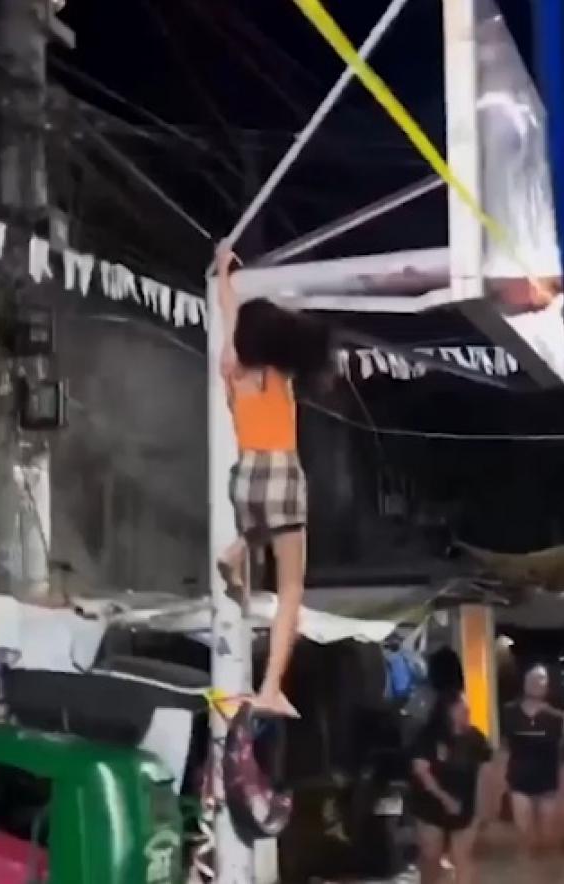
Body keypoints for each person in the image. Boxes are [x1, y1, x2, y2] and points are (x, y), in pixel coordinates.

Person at [214, 243, 333, 717]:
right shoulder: (279, 371)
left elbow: (229, 312)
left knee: (260, 524)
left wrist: (224, 270)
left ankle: (238, 550)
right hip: (281, 469)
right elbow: (243, 317)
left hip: (245, 473)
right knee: (291, 589)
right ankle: (270, 689)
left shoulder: (231, 365)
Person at [410, 691, 495, 884]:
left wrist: (484, 810)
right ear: (448, 710)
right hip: (430, 805)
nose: (467, 710)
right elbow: (422, 772)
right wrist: (445, 799)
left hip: (465, 806)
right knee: (431, 857)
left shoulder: (475, 738)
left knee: (462, 857)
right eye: (462, 707)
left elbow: (487, 773)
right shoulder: (427, 736)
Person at [500, 665, 563, 857]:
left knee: (549, 838)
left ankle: (551, 872)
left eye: (542, 679)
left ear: (547, 686)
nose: (537, 683)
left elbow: (563, 753)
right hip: (519, 782)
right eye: (533, 679)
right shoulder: (509, 712)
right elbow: (504, 748)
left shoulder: (555, 717)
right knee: (525, 838)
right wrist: (500, 782)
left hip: (548, 785)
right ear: (525, 683)